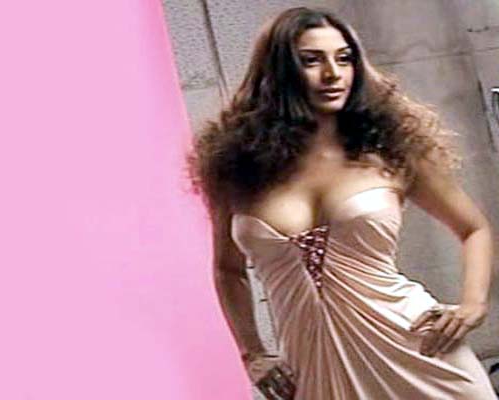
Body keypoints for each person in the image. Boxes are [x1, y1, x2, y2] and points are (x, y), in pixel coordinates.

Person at [186, 6, 497, 400]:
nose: (333, 73)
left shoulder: (391, 152)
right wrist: (253, 353)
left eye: (344, 58)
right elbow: (228, 269)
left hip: (417, 349)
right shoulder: (236, 167)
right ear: (279, 72)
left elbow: (474, 229)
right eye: (311, 60)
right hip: (313, 368)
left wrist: (472, 306)